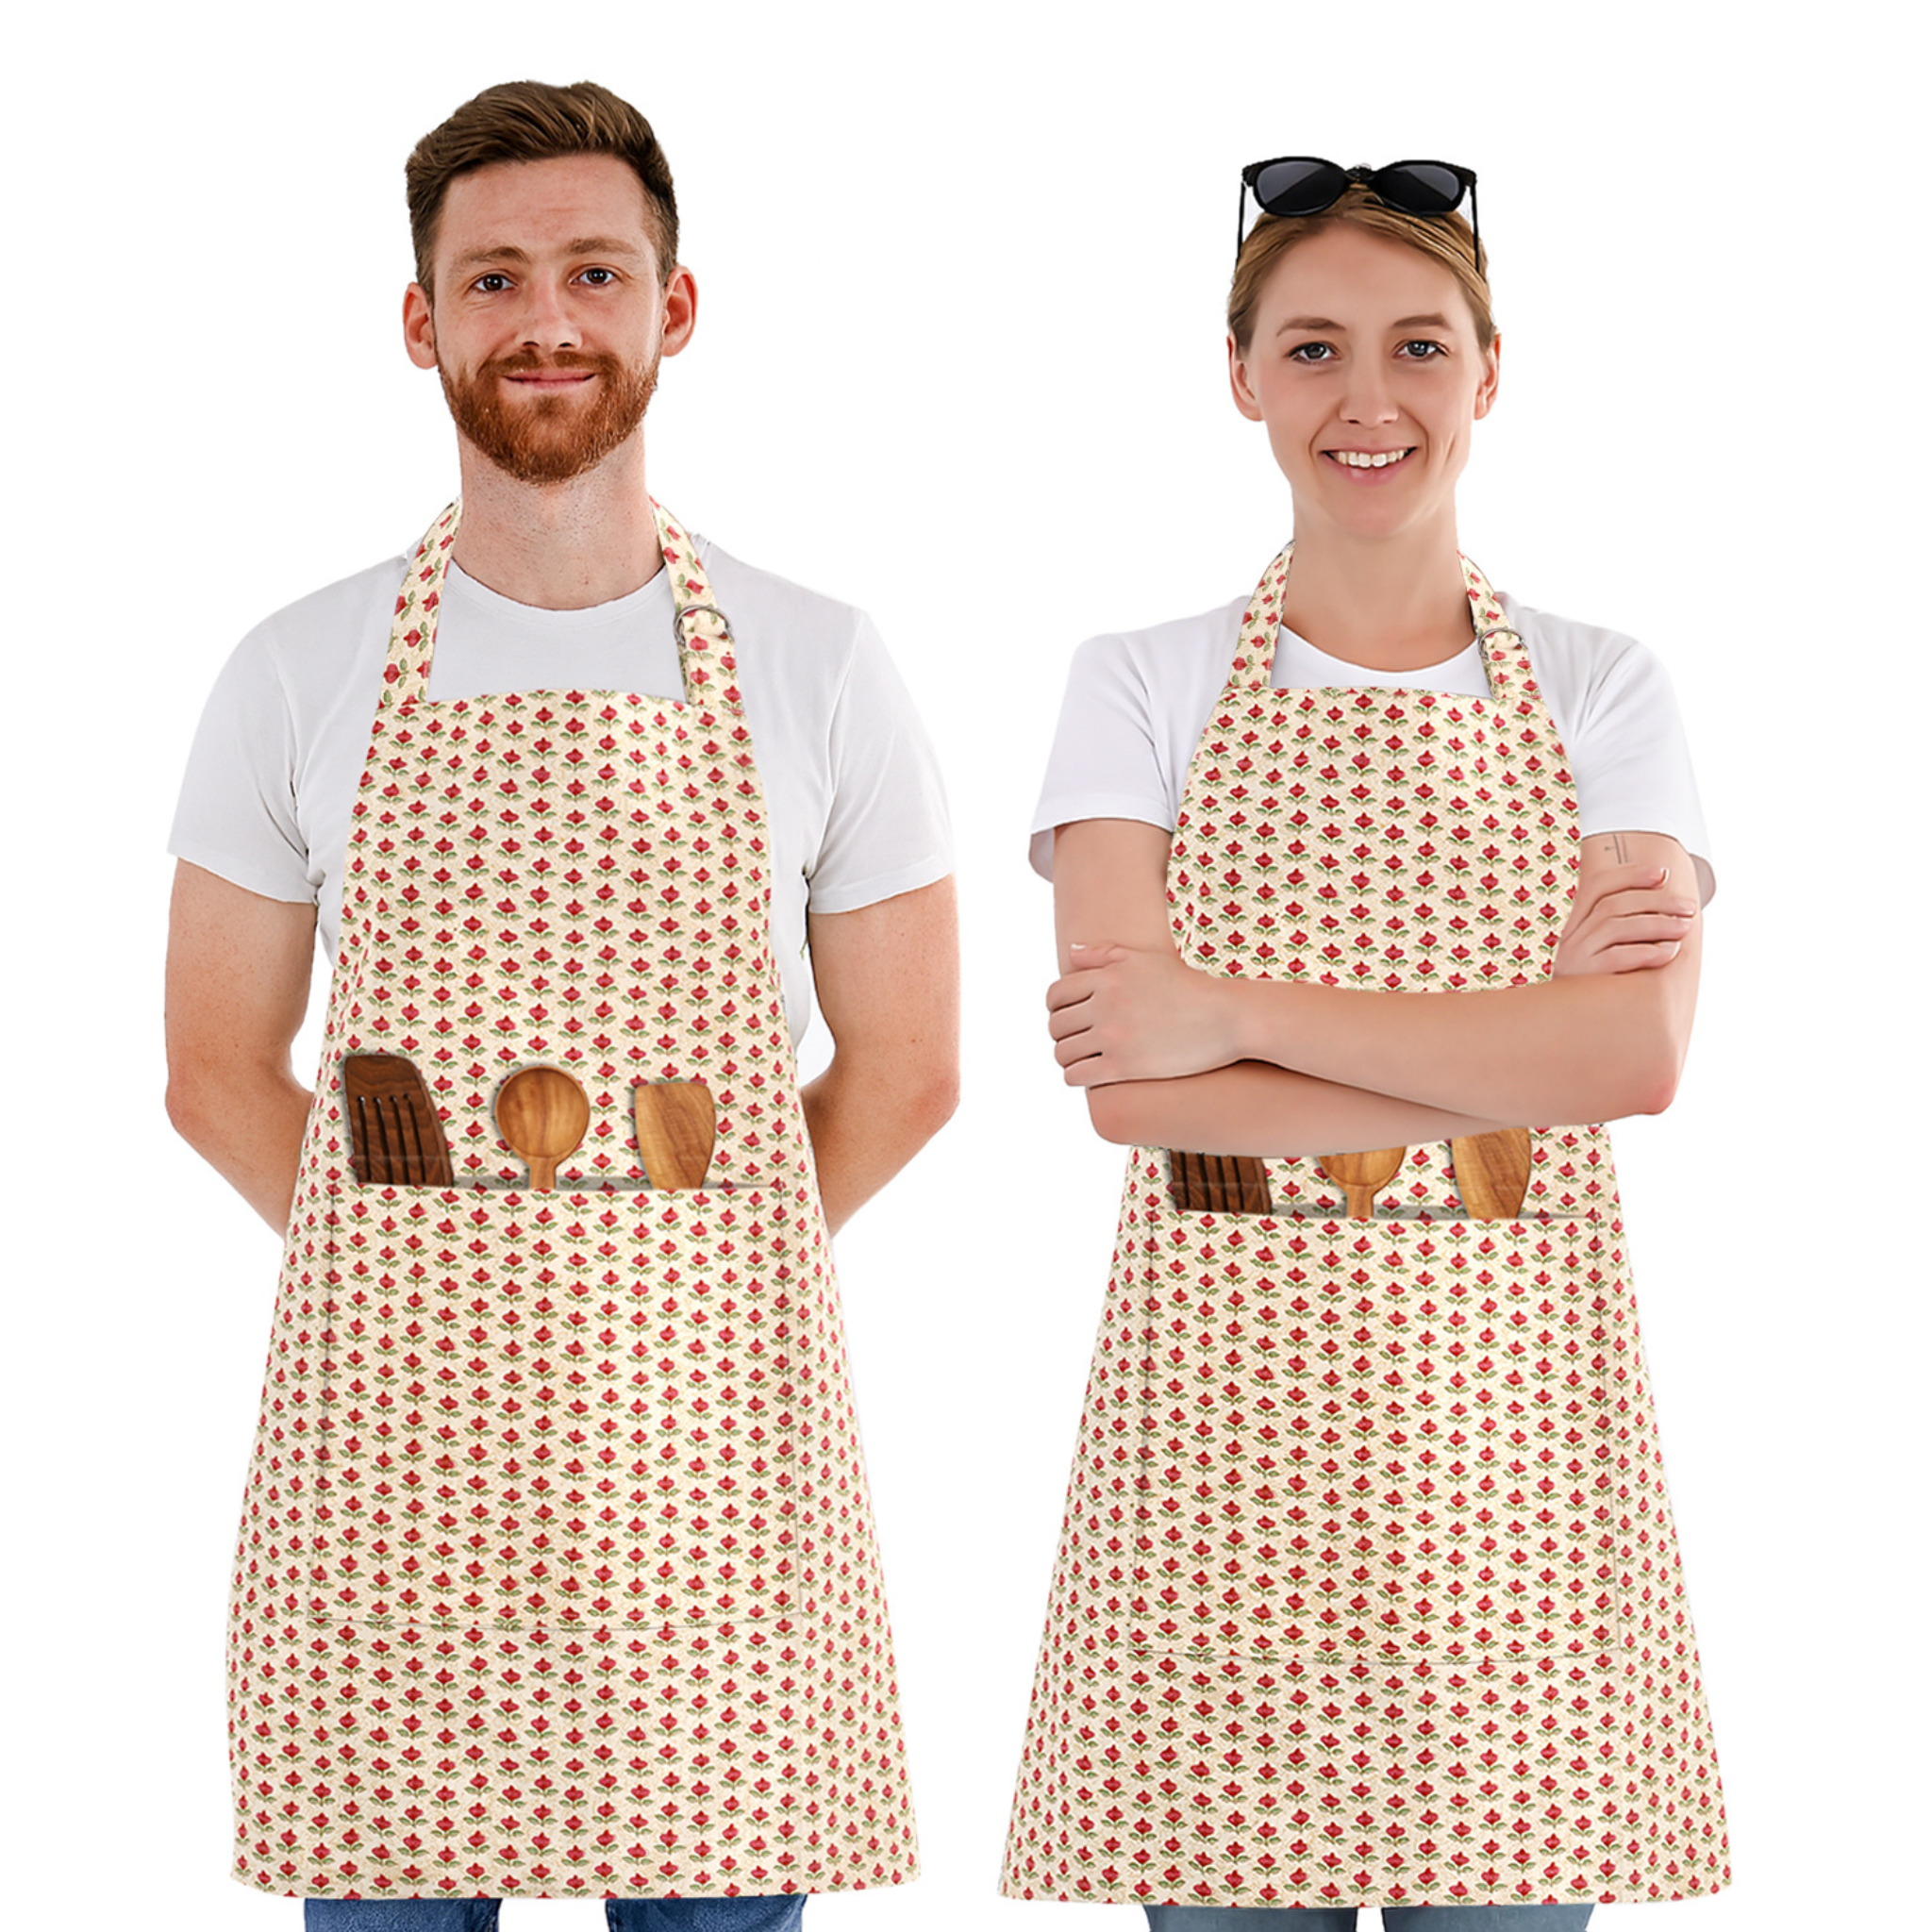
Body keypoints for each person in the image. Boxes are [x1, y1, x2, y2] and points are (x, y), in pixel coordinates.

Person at [165, 79, 958, 1931]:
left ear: (671, 309)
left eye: (593, 272)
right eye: (494, 277)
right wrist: (423, 1280)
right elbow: (212, 1067)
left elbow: (909, 1068)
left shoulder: (819, 660)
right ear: (422, 321)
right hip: (386, 1488)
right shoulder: (294, 668)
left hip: (709, 1483)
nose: (545, 319)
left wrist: (660, 1280)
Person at [999, 160, 1728, 1929]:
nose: (1367, 399)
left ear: (1492, 371)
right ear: (1241, 376)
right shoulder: (1141, 681)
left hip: (1511, 1485)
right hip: (1218, 1477)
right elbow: (1132, 1092)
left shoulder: (1603, 684)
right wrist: (1501, 1045)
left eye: (1418, 345)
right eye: (1313, 349)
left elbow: (1630, 1063)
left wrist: (1233, 1011)